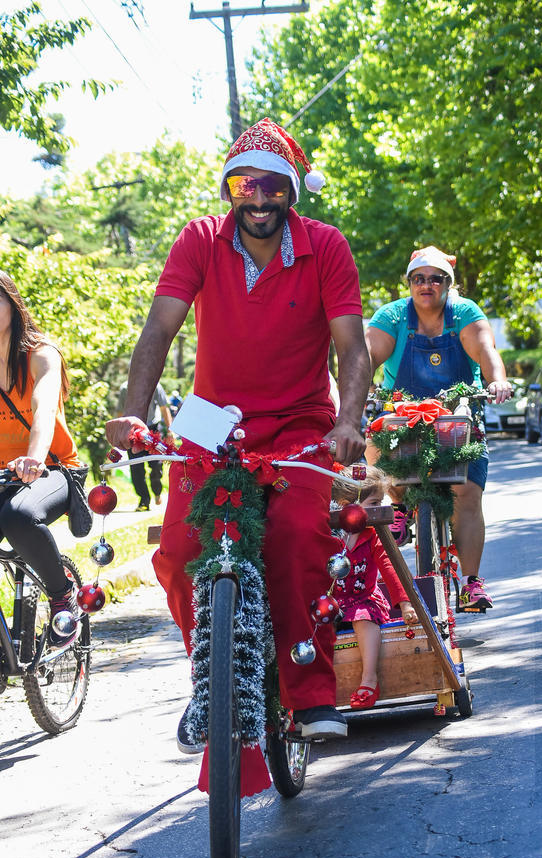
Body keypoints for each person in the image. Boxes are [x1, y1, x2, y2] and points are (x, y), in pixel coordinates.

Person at [106, 118, 371, 748]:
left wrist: (348, 421)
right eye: (243, 185)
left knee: (296, 539)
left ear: (291, 192)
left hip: (301, 425)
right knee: (175, 553)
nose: (257, 199)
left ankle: (307, 694)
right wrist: (134, 413)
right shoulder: (198, 240)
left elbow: (351, 349)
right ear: (229, 190)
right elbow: (158, 332)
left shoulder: (326, 246)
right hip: (211, 425)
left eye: (272, 187)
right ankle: (215, 681)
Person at [366, 245, 512, 612]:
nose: (426, 284)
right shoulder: (394, 316)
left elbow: (485, 349)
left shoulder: (464, 313)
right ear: (409, 283)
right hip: (403, 411)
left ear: (449, 284)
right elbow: (365, 355)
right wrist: (354, 389)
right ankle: (398, 506)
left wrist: (497, 381)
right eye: (418, 278)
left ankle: (471, 582)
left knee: (467, 493)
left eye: (435, 278)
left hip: (458, 414)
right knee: (375, 443)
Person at [0, 272, 82, 646]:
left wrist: (32, 459)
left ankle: (62, 593)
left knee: (18, 517)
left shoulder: (41, 355)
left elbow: (43, 409)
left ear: (12, 305)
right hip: (4, 476)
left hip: (53, 470)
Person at [332, 466, 418, 709]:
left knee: (363, 618)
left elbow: (389, 567)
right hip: (335, 601)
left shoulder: (373, 534)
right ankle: (321, 686)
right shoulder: (332, 534)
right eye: (374, 502)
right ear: (345, 503)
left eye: (382, 502)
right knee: (319, 621)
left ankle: (369, 678)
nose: (380, 508)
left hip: (363, 599)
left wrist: (405, 603)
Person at [118, 381, 172, 510]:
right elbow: (120, 412)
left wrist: (170, 430)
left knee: (156, 464)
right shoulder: (125, 388)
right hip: (132, 430)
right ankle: (144, 500)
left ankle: (157, 491)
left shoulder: (155, 385)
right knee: (136, 467)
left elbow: (164, 407)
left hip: (152, 428)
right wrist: (119, 433)